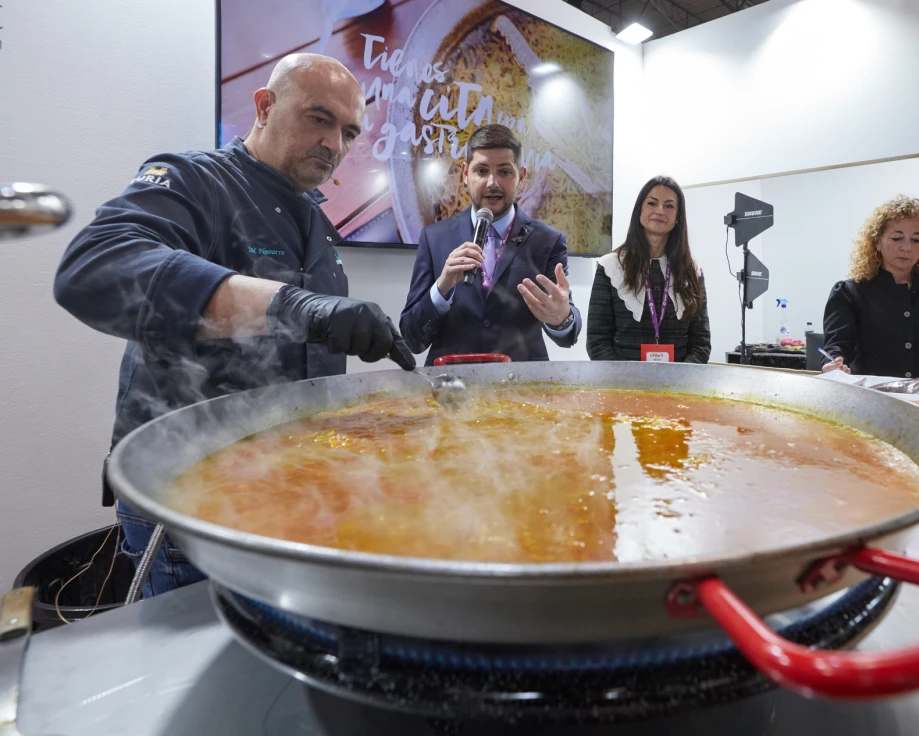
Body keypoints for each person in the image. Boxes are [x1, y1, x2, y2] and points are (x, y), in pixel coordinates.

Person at [53, 54, 416, 598]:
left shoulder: (314, 221)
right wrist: (292, 306)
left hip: (287, 491)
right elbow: (93, 268)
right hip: (188, 498)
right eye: (319, 118)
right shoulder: (193, 180)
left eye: (348, 132)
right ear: (265, 106)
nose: (334, 144)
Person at [399, 124, 581, 363]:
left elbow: (567, 336)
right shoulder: (434, 238)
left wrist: (562, 318)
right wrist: (441, 288)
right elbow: (412, 339)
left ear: (521, 176)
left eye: (504, 172)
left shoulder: (548, 241)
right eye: (481, 171)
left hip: (522, 388)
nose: (492, 183)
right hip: (452, 388)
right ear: (465, 174)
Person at [821, 195, 919, 381]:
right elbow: (837, 345)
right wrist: (834, 365)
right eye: (897, 238)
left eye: (916, 240)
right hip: (873, 401)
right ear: (877, 242)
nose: (906, 247)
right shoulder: (850, 292)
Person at [586, 176, 710, 363]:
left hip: (678, 388)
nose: (660, 211)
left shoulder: (692, 271)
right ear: (639, 211)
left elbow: (701, 343)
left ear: (678, 217)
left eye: (669, 206)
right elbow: (597, 341)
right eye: (652, 203)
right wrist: (625, 383)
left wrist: (679, 384)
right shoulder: (610, 266)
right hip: (622, 386)